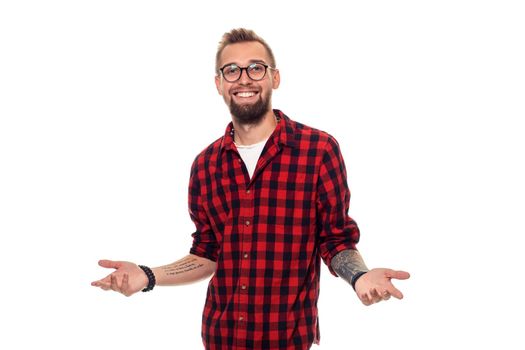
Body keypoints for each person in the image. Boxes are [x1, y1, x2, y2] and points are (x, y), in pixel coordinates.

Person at [92, 28, 410, 350]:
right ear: (219, 84)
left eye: (256, 67)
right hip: (220, 338)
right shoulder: (205, 165)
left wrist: (360, 276)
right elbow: (207, 253)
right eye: (232, 70)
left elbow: (334, 239)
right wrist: (148, 275)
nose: (244, 79)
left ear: (275, 78)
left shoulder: (318, 150)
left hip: (286, 340)